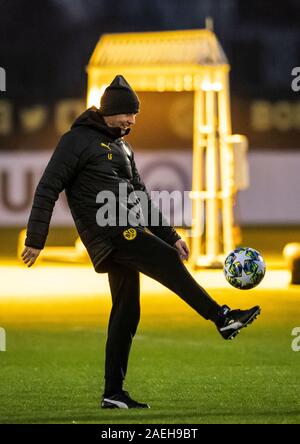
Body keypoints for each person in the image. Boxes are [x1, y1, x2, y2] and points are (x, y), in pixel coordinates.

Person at [22, 75, 261, 409]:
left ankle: (113, 393)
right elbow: (48, 186)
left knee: (127, 312)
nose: (132, 121)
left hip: (123, 228)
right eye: (127, 114)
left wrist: (172, 235)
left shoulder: (123, 146)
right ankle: (221, 317)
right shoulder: (76, 141)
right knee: (164, 260)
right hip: (109, 230)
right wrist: (37, 238)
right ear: (108, 112)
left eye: (135, 115)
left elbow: (141, 198)